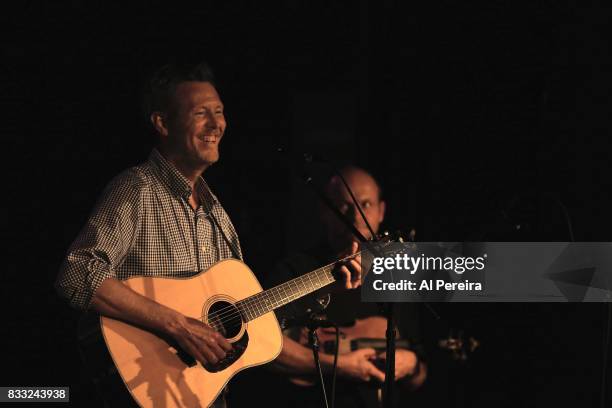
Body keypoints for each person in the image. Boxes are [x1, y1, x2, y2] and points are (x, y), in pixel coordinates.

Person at [55, 61, 362, 407]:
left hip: (203, 394)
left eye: (220, 112)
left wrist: (328, 282)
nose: (217, 125)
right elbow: (77, 272)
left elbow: (248, 320)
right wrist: (178, 326)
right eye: (202, 113)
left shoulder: (218, 215)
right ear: (162, 123)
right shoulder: (136, 189)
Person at [266, 166, 427, 408]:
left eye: (366, 204)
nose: (356, 217)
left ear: (382, 211)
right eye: (343, 205)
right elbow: (265, 348)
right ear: (324, 211)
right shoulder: (294, 269)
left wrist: (412, 364)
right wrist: (339, 366)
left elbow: (421, 375)